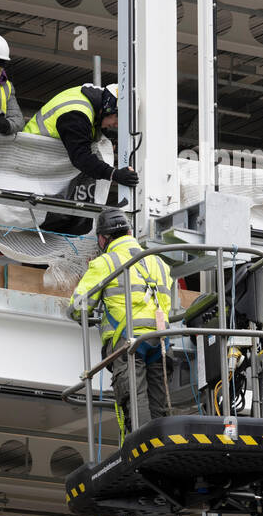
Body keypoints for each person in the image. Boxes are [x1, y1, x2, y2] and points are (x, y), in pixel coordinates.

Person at [71, 207, 173, 440]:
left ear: (102, 238)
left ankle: (142, 448)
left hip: (128, 341)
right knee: (160, 402)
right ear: (129, 232)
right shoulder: (158, 262)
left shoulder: (105, 262)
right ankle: (162, 446)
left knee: (133, 399)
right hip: (160, 340)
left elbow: (78, 307)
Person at [23, 82, 139, 188]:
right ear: (109, 109)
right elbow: (81, 158)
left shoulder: (93, 102)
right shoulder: (76, 114)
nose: (117, 125)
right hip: (27, 163)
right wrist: (115, 174)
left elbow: (90, 130)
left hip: (41, 169)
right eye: (119, 118)